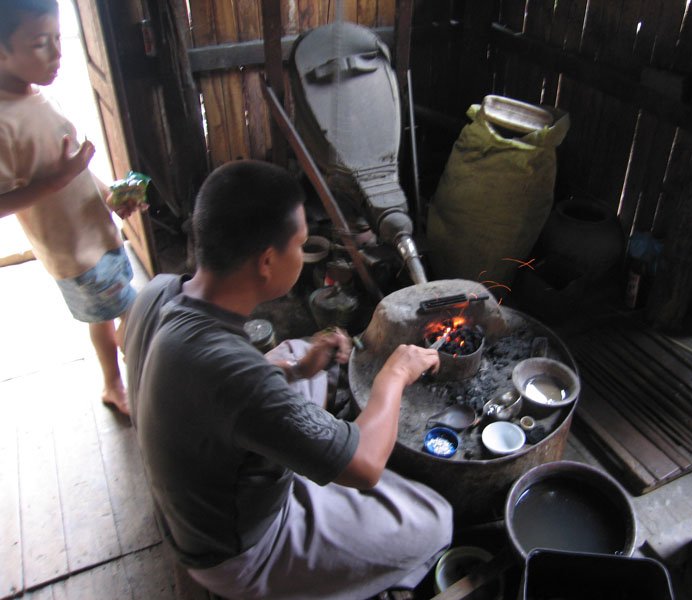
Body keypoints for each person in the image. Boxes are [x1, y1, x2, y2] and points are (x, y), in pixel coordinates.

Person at [124, 160, 453, 600]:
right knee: (436, 519)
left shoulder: (159, 291)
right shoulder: (236, 375)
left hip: (201, 489)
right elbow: (367, 466)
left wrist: (297, 372)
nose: (302, 254)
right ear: (266, 261)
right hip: (237, 550)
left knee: (297, 351)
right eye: (299, 245)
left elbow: (212, 395)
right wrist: (395, 373)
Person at [0, 0, 143, 415]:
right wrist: (57, 181)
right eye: (40, 43)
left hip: (98, 234)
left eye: (58, 38)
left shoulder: (40, 96)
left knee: (105, 316)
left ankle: (115, 380)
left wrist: (110, 195)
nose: (57, 53)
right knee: (134, 311)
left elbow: (75, 168)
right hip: (75, 253)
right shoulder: (4, 123)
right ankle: (127, 377)